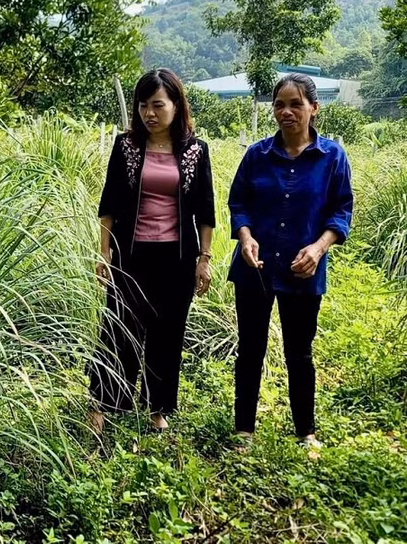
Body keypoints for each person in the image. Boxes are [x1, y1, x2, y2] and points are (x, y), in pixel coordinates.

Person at [228, 73, 353, 448]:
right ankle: (244, 430)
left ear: (314, 108)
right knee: (251, 349)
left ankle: (305, 431)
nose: (287, 112)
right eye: (280, 104)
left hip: (304, 269)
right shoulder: (257, 155)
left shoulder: (331, 157)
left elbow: (341, 210)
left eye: (296, 104)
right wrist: (246, 236)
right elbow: (239, 203)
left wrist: (318, 248)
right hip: (256, 268)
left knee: (299, 352)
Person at [89, 68, 216, 433]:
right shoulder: (126, 145)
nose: (150, 113)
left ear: (176, 105)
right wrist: (104, 253)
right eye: (143, 105)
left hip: (177, 259)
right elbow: (109, 203)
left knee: (168, 333)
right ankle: (103, 402)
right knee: (118, 329)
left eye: (158, 105)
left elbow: (205, 210)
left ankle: (158, 408)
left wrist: (203, 260)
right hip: (131, 255)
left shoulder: (195, 150)